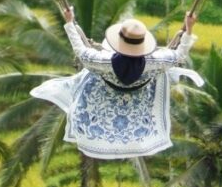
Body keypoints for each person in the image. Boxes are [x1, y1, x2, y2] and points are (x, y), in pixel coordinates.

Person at [31, 9, 202, 159]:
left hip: (104, 96)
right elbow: (179, 55)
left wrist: (70, 22)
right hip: (138, 101)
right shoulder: (156, 62)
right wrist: (188, 28)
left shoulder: (101, 62)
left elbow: (81, 51)